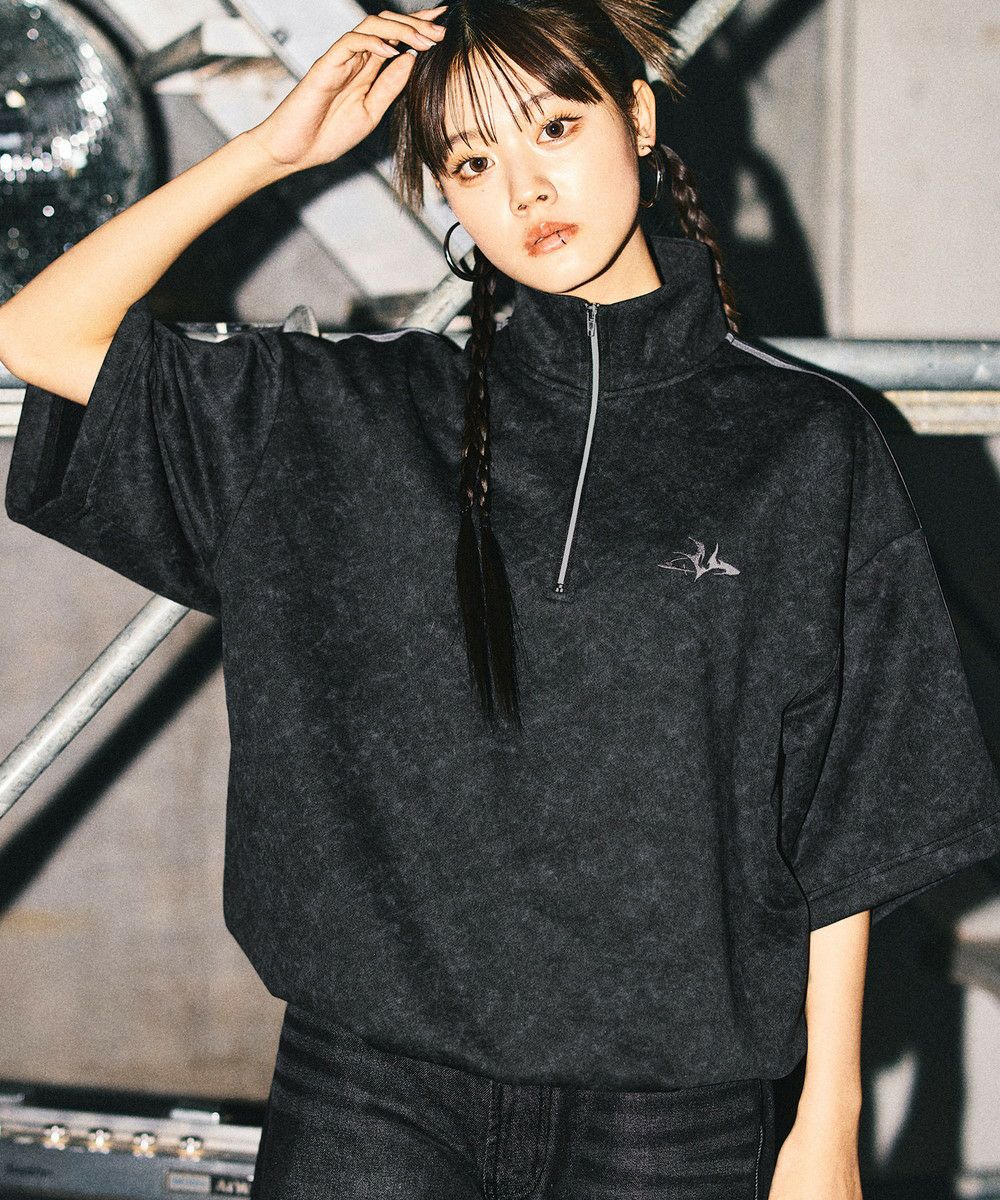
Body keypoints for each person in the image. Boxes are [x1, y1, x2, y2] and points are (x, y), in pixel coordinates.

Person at [2, 1, 999, 1196]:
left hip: (668, 1119)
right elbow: (39, 333)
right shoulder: (346, 419)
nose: (525, 189)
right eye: (471, 162)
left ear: (636, 116)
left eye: (555, 127)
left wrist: (826, 1123)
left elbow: (849, 806)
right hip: (374, 1100)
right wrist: (269, 149)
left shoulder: (799, 444)